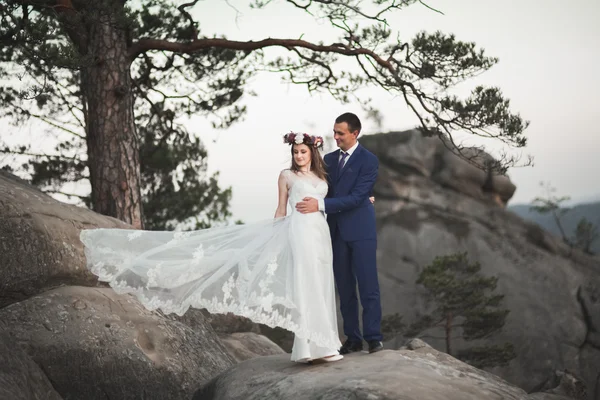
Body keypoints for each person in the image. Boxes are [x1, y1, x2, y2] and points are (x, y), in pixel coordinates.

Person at [80, 132, 343, 363]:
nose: (298, 155)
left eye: (303, 151)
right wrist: (273, 234)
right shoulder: (287, 176)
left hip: (320, 231)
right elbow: (280, 208)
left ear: (312, 152)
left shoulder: (321, 175)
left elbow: (337, 196)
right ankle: (310, 346)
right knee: (306, 283)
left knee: (321, 282)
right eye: (296, 151)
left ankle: (326, 343)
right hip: (299, 230)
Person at [296, 112, 384, 355]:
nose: (335, 137)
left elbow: (357, 197)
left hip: (361, 230)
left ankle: (374, 338)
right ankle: (353, 339)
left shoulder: (369, 160)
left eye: (340, 133)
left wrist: (320, 206)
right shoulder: (329, 159)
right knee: (344, 288)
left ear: (355, 133)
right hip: (334, 231)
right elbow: (318, 185)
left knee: (368, 286)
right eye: (334, 132)